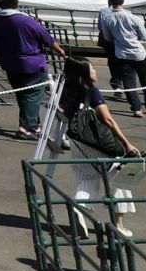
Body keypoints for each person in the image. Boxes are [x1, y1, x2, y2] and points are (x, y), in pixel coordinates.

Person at [56, 56, 141, 235]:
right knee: (118, 179)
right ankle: (119, 225)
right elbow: (108, 120)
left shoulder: (65, 89)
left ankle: (78, 208)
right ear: (83, 73)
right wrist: (127, 144)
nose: (95, 71)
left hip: (78, 142)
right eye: (92, 68)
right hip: (98, 142)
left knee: (87, 179)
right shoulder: (91, 91)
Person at [0, 0, 65, 139]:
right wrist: (61, 53)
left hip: (8, 62)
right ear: (16, 4)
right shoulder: (25, 20)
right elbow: (48, 39)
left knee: (22, 94)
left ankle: (33, 124)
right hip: (31, 62)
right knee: (32, 95)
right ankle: (27, 128)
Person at [97, 0, 146, 117]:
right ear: (122, 2)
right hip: (138, 53)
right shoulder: (133, 17)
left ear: (110, 2)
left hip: (121, 53)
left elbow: (107, 38)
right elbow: (144, 37)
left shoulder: (107, 18)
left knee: (128, 82)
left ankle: (136, 108)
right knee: (145, 81)